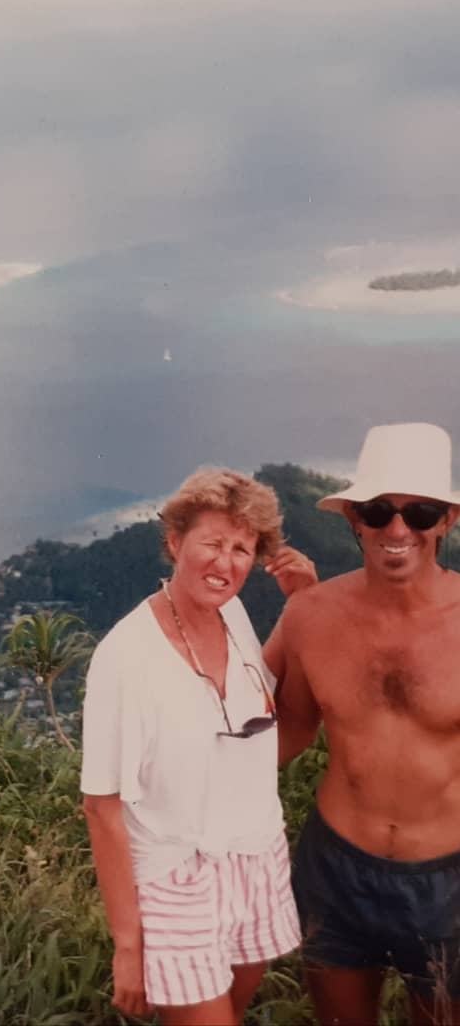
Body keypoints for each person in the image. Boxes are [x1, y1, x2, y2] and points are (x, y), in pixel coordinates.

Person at [81, 467, 317, 1024]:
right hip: (177, 874)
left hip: (253, 856)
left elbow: (266, 710)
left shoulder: (230, 615)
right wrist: (129, 946)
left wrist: (305, 603)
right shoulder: (126, 656)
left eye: (241, 548)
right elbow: (101, 806)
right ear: (174, 542)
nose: (225, 562)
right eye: (212, 543)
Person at [269, 421, 460, 1026]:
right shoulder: (312, 616)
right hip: (337, 867)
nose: (398, 529)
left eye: (420, 511)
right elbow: (291, 727)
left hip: (448, 877)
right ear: (353, 518)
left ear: (446, 521)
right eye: (378, 512)